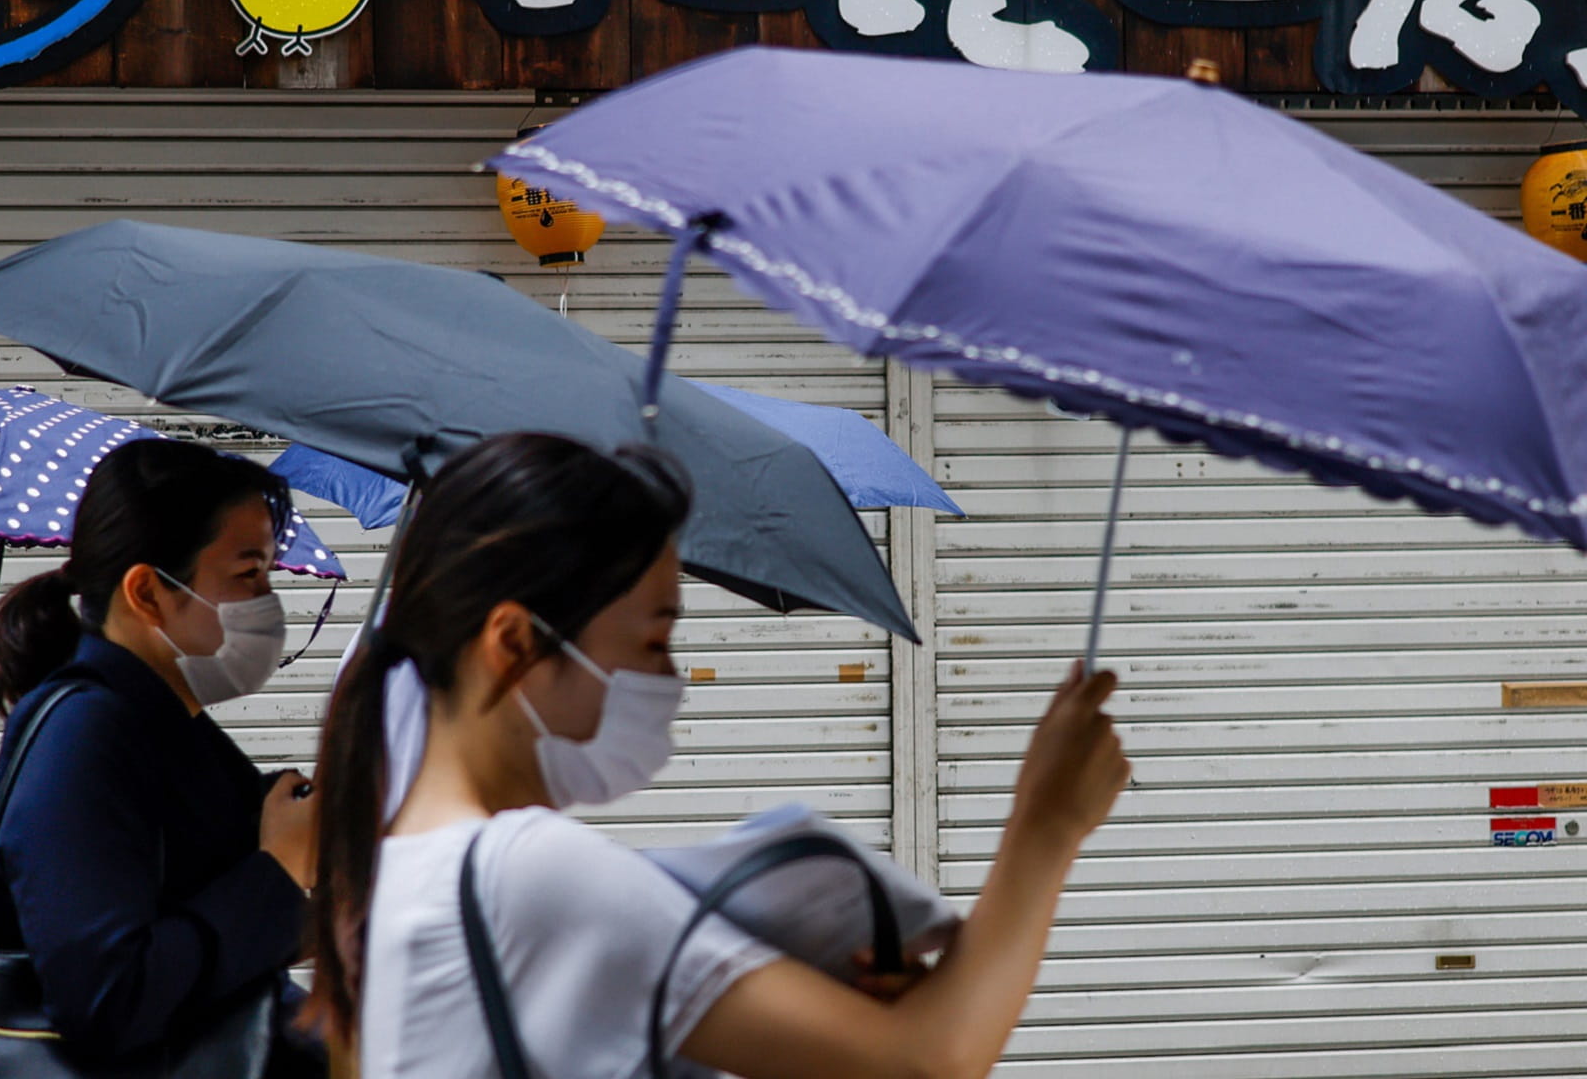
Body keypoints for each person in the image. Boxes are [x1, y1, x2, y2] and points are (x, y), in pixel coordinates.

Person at [312, 432, 1130, 1079]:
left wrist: (818, 1031)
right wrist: (1047, 824)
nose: (670, 680)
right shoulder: (526, 871)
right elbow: (929, 1060)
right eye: (655, 638)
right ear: (516, 641)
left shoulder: (397, 862)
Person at [0, 438, 322, 1073]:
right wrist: (276, 869)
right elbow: (106, 997)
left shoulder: (161, 724)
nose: (268, 600)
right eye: (248, 573)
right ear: (148, 591)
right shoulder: (85, 731)